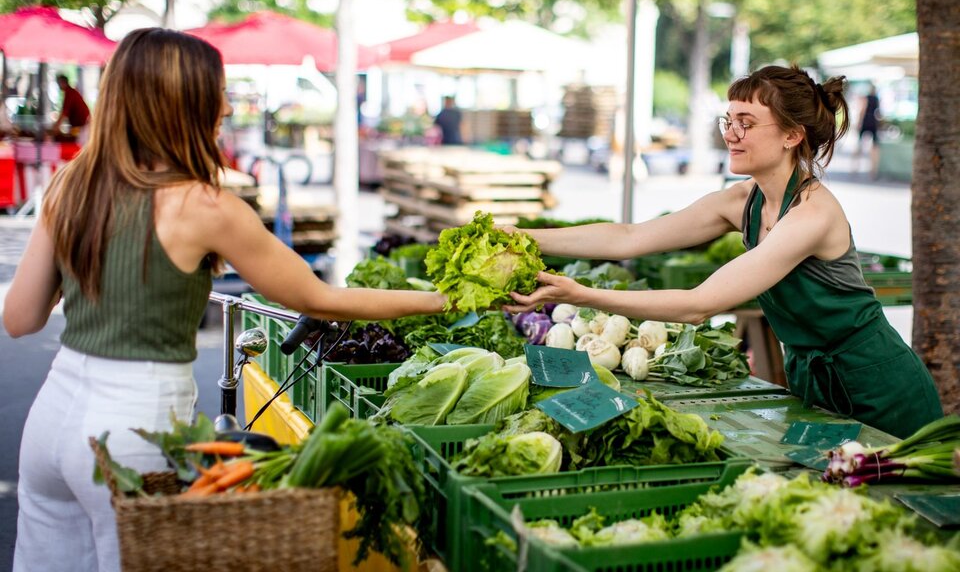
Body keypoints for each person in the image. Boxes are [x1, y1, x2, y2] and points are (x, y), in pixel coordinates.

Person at [2, 28, 447, 572]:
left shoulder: (70, 183)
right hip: (133, 428)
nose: (227, 105)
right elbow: (320, 299)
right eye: (219, 92)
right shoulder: (205, 205)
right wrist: (443, 301)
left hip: (51, 418)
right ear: (186, 104)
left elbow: (19, 319)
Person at [506, 65, 942, 440]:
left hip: (880, 386)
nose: (731, 135)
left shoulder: (814, 214)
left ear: (792, 135)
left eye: (747, 124)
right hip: (812, 376)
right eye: (728, 121)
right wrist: (522, 236)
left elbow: (699, 305)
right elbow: (628, 237)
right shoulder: (743, 201)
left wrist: (579, 294)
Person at [50, 74, 91, 142]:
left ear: (62, 82)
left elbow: (64, 112)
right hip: (83, 126)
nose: (58, 85)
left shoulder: (70, 93)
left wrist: (55, 127)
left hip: (83, 128)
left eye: (58, 83)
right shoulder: (70, 92)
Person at [856, 84, 881, 178]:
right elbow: (878, 113)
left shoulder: (866, 98)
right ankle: (873, 170)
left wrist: (859, 123)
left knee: (859, 145)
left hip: (865, 121)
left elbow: (862, 110)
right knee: (874, 147)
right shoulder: (877, 99)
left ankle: (855, 167)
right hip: (873, 122)